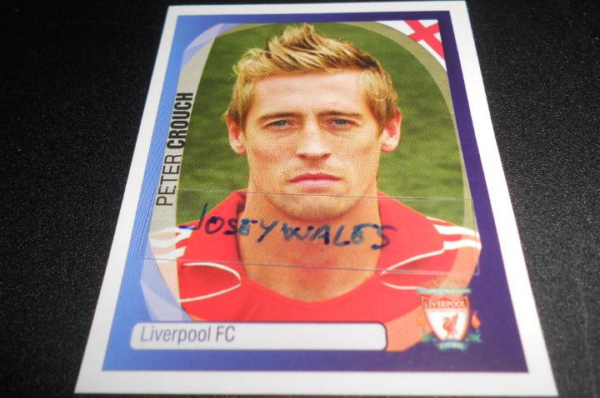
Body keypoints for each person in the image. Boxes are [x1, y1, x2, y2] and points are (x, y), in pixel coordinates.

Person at [157, 24, 480, 351]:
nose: (312, 149)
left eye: (340, 122)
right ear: (237, 134)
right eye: (280, 123)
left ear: (390, 130)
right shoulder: (157, 266)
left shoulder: (471, 259)